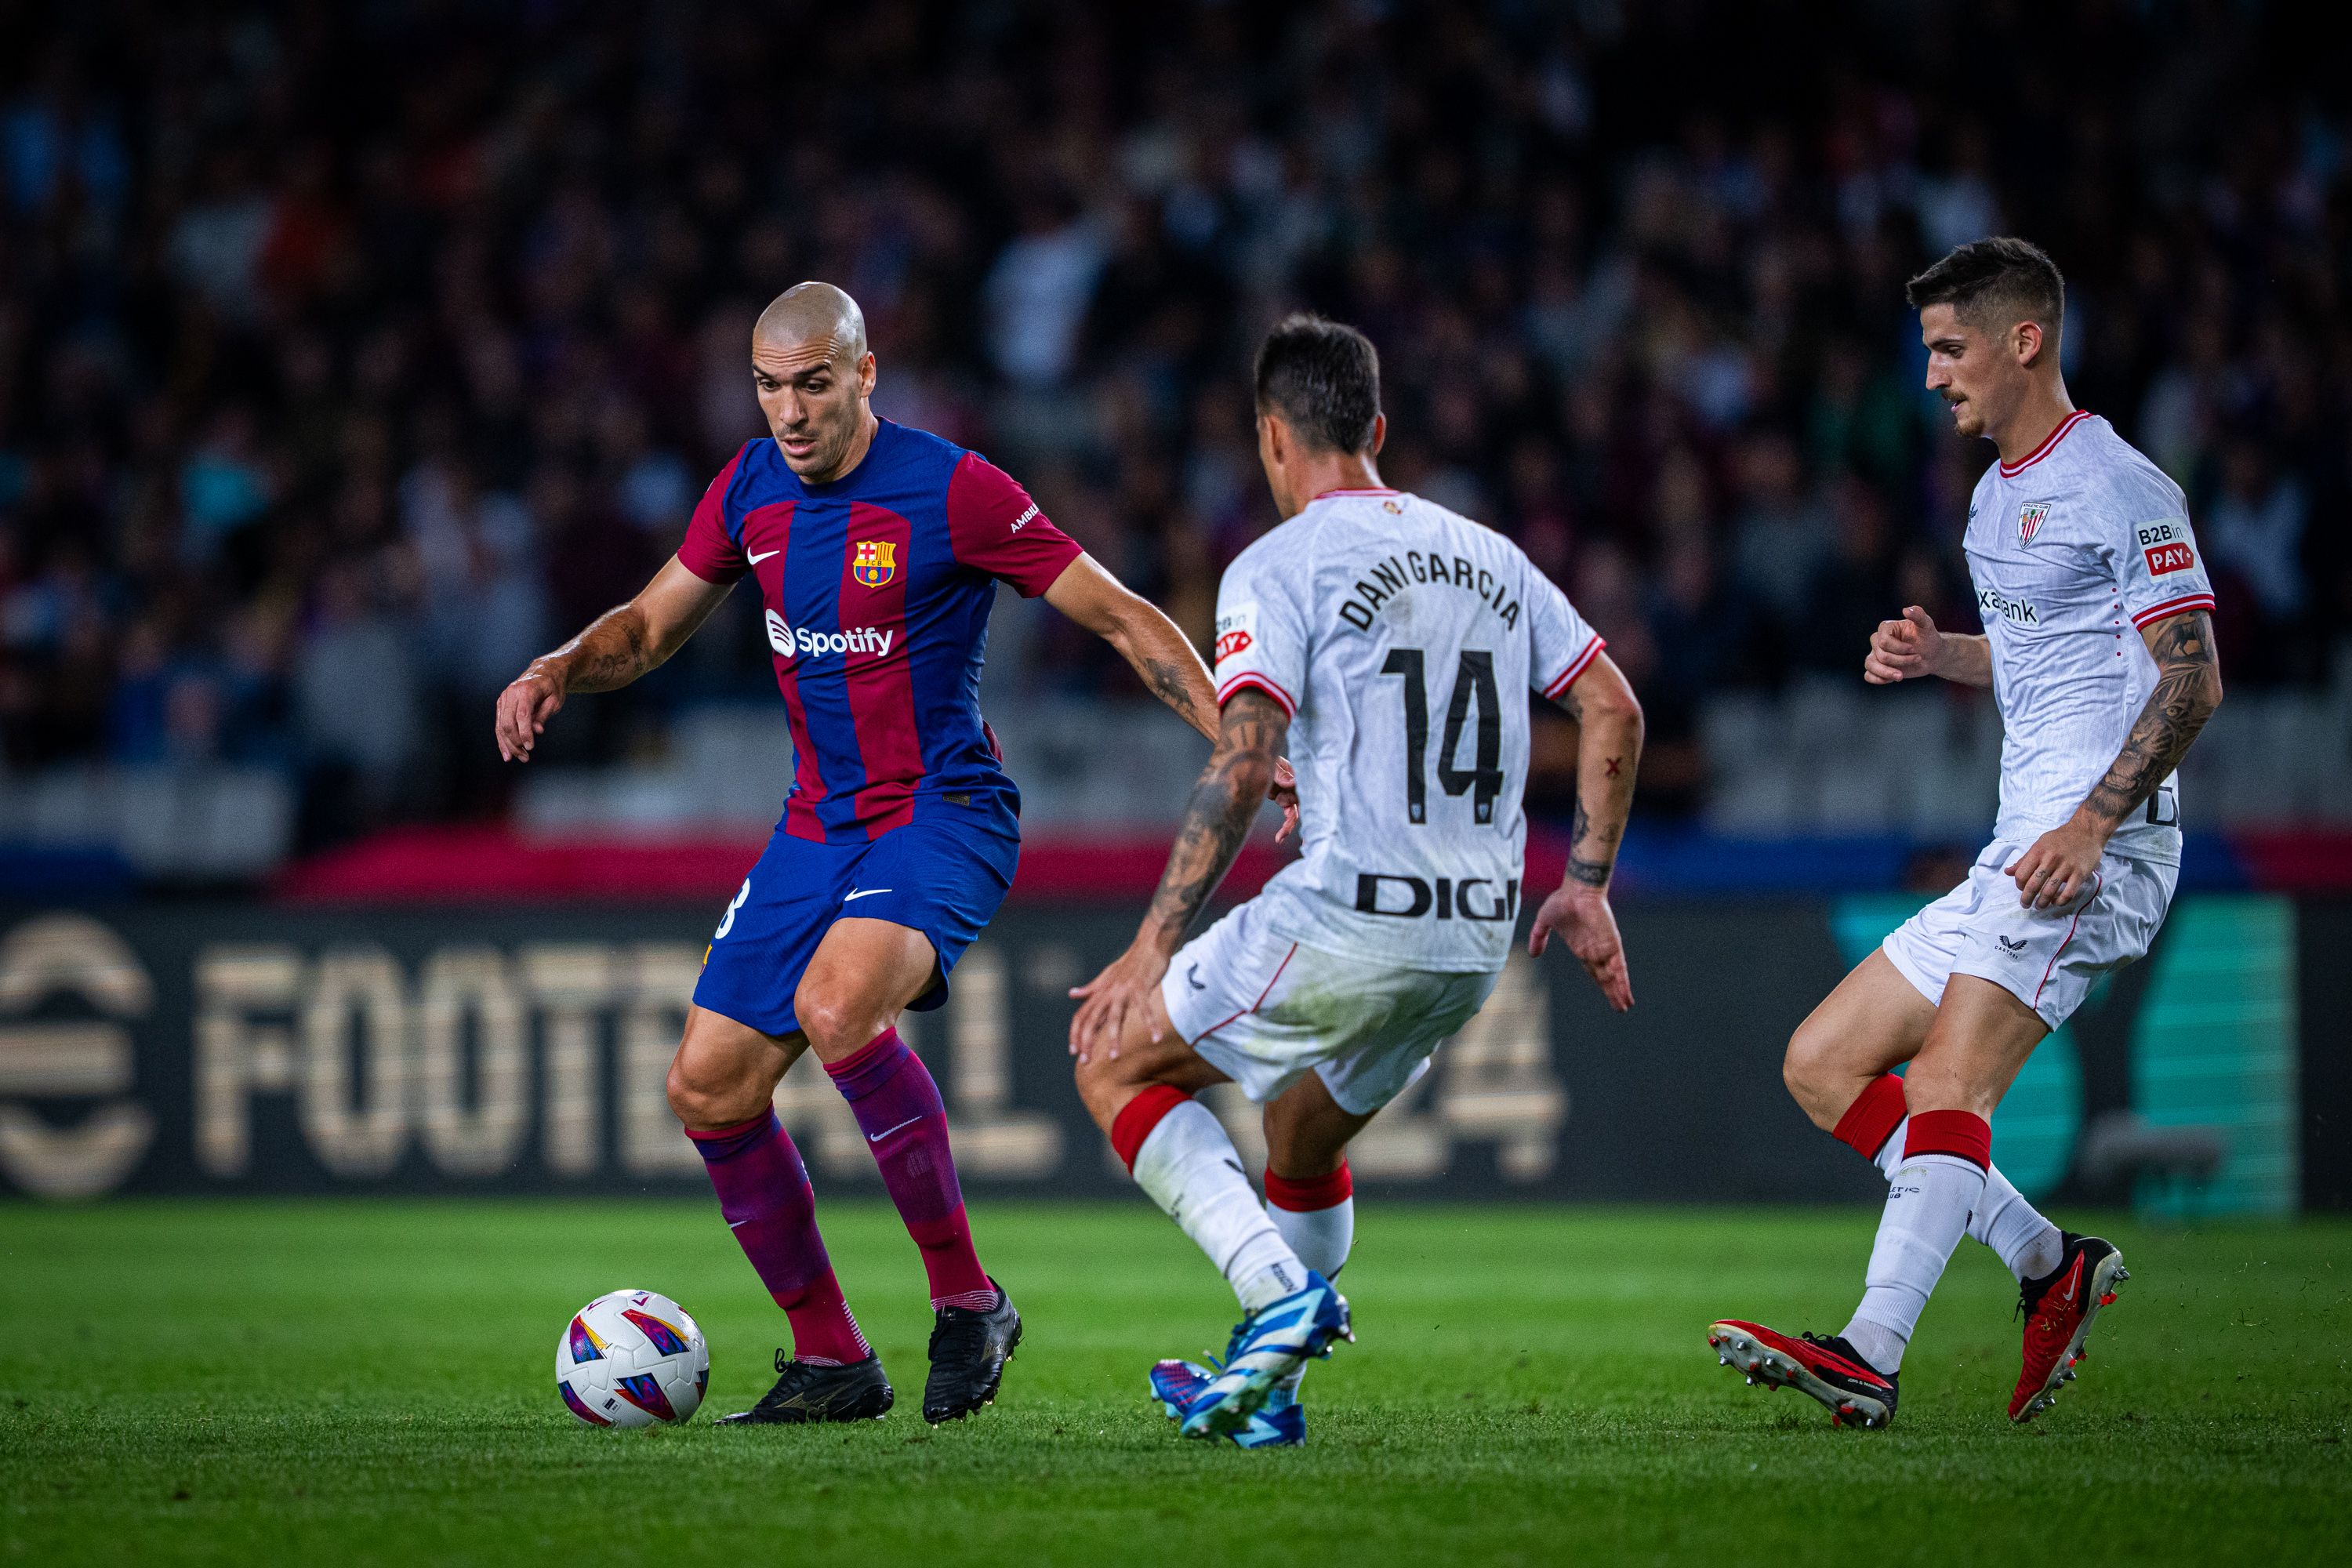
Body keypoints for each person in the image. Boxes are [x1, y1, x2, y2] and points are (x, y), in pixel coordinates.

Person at [495, 282, 1265, 1426]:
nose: (789, 413)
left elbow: (1116, 614)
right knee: (706, 1088)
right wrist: (558, 666)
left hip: (944, 812)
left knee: (838, 1003)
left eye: (813, 384)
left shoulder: (954, 489)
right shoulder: (748, 488)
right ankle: (832, 1360)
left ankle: (969, 1301)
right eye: (769, 387)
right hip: (815, 825)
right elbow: (650, 627)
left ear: (864, 374)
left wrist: (1239, 741)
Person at [1065, 315, 1645, 1446]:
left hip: (1347, 915)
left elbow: (1243, 768)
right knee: (1300, 1137)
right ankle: (1271, 1398)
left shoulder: (1276, 565)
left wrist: (1149, 949)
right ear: (1377, 430)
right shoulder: (1490, 556)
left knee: (1110, 1059)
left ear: (1271, 439)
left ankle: (1275, 1298)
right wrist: (1586, 884)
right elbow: (1612, 706)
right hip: (1472, 941)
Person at [1709, 238, 2223, 1428]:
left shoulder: (2122, 484)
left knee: (1947, 1081)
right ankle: (2049, 1263)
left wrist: (2094, 822)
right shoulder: (1995, 496)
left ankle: (1870, 1353)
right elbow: (2055, 653)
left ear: (2023, 341)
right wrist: (1945, 654)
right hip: (2021, 845)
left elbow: (2191, 678)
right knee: (1822, 1062)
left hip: (2096, 850)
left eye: (1950, 349)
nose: (1933, 375)